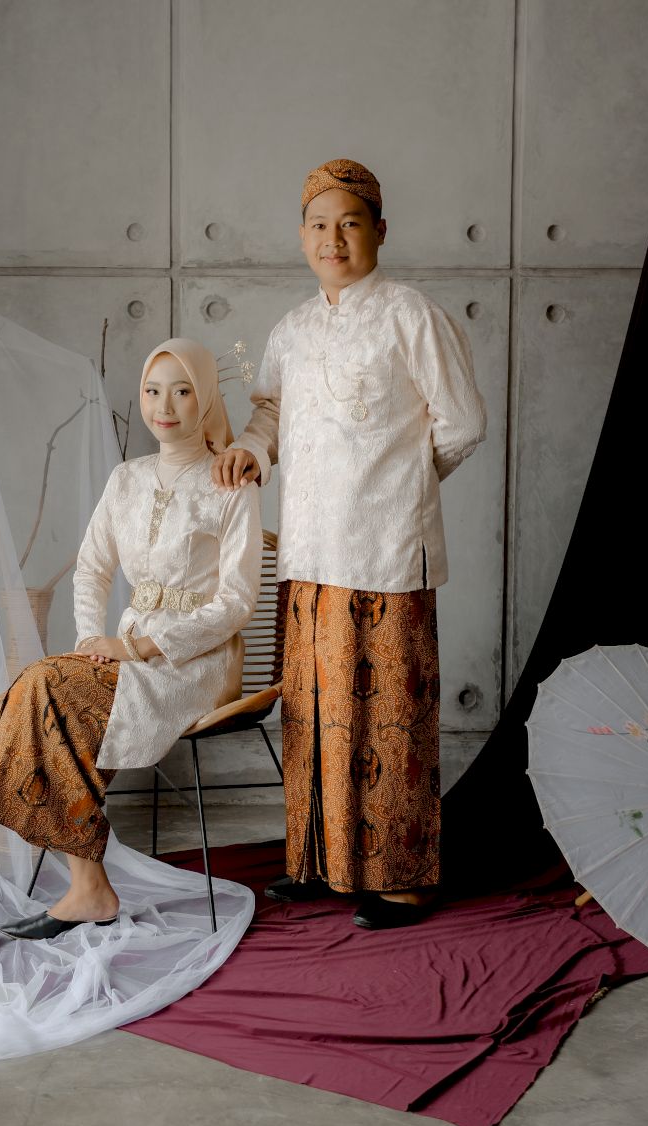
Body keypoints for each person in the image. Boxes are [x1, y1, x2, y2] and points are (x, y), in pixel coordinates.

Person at [0, 338, 262, 940]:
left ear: (204, 398)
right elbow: (92, 567)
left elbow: (236, 603)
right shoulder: (126, 479)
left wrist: (140, 648)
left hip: (194, 663)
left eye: (182, 391)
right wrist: (92, 636)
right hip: (121, 653)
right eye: (152, 390)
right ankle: (78, 883)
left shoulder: (232, 484)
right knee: (43, 692)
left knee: (40, 687)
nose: (164, 406)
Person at [212, 159, 486, 929]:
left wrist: (403, 484)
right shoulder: (292, 330)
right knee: (314, 713)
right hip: (309, 552)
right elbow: (270, 411)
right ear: (302, 235)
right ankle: (322, 863)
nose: (333, 239)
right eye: (319, 225)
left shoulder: (412, 315)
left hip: (388, 553)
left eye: (350, 224)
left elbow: (464, 422)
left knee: (387, 716)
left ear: (380, 232)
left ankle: (402, 879)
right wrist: (252, 450)